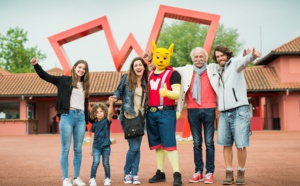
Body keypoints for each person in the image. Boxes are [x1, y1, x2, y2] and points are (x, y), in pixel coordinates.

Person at [30, 57, 90, 186]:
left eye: (84, 69)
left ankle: (77, 178)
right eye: (79, 67)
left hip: (80, 117)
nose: (81, 70)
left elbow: (85, 104)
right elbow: (45, 76)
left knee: (78, 149)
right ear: (74, 68)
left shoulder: (85, 85)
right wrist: (36, 65)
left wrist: (88, 118)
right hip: (67, 116)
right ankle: (65, 179)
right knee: (65, 149)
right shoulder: (63, 80)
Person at [212, 45, 261, 185]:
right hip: (223, 112)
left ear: (227, 55)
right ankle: (228, 173)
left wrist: (252, 56)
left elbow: (244, 61)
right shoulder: (218, 70)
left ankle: (241, 172)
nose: (220, 58)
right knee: (226, 144)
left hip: (239, 110)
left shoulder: (234, 64)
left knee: (241, 144)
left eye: (222, 55)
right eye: (218, 56)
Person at [175, 47, 219, 184]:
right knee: (196, 143)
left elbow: (230, 63)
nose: (199, 59)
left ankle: (210, 172)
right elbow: (169, 68)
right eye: (196, 57)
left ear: (206, 58)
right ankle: (198, 171)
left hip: (209, 108)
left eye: (201, 56)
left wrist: (248, 56)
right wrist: (150, 61)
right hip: (192, 109)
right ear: (192, 58)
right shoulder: (186, 70)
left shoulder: (213, 68)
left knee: (210, 142)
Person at [146, 41, 182, 186]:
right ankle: (160, 172)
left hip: (166, 112)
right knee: (157, 145)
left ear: (168, 57)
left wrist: (167, 92)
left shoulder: (173, 74)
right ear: (154, 56)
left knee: (170, 144)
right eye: (158, 57)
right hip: (151, 113)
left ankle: (176, 173)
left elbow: (177, 93)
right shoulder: (149, 74)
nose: (160, 60)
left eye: (164, 57)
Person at [111, 56, 149, 185]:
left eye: (140, 65)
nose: (138, 67)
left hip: (141, 117)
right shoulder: (126, 79)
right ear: (133, 68)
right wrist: (115, 97)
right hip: (128, 115)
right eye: (136, 65)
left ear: (144, 67)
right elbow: (118, 90)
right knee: (134, 147)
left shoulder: (146, 81)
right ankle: (128, 173)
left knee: (137, 148)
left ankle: (135, 174)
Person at [88, 98, 114, 186]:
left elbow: (110, 113)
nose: (99, 113)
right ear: (94, 113)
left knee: (106, 163)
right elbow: (92, 137)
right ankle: (92, 179)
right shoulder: (94, 125)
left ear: (104, 112)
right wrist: (91, 148)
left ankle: (107, 178)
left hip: (106, 146)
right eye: (97, 112)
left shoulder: (107, 121)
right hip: (96, 147)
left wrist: (111, 103)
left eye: (101, 111)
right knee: (95, 162)